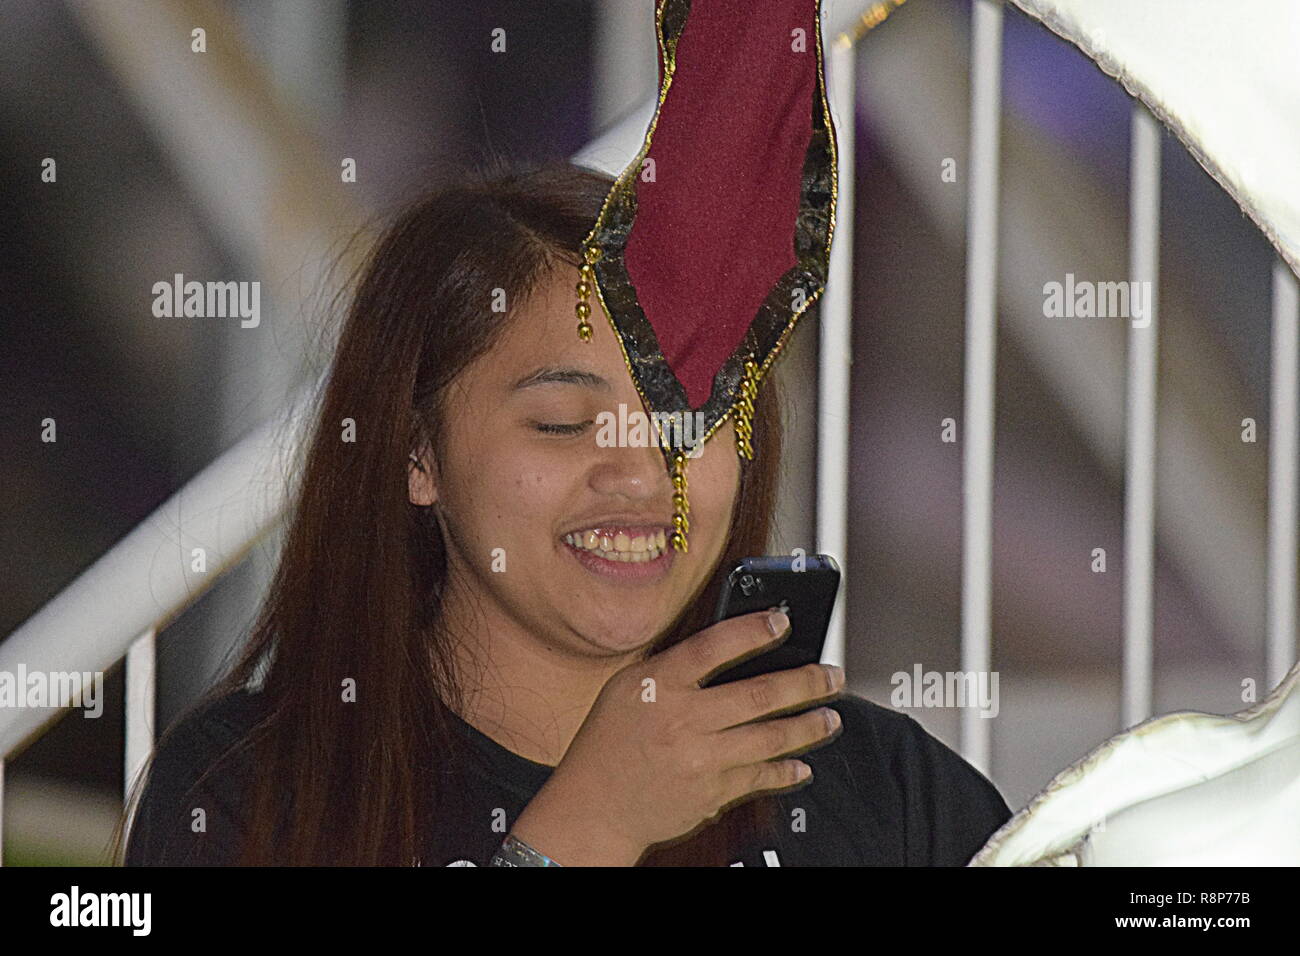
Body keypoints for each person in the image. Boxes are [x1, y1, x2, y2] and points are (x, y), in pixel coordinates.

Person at [121, 0, 1012, 867]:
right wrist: (584, 832)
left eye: (686, 413)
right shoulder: (251, 788)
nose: (638, 475)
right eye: (562, 423)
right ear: (414, 452)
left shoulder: (886, 791)